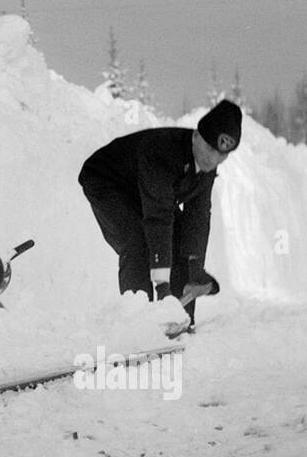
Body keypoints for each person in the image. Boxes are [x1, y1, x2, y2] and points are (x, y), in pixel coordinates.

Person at [78, 99, 242, 324]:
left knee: (179, 236)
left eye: (222, 155)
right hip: (108, 181)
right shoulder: (162, 151)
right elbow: (159, 216)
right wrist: (162, 284)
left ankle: (179, 319)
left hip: (144, 190)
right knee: (137, 242)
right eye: (210, 149)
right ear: (196, 136)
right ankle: (139, 321)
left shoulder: (207, 168)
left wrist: (194, 268)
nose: (213, 159)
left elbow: (198, 217)